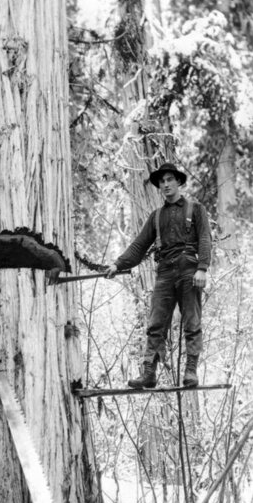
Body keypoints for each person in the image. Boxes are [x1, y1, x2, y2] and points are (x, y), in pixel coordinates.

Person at [105, 162, 212, 388]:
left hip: (189, 269)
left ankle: (191, 372)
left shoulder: (196, 209)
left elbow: (205, 238)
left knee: (192, 321)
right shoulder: (156, 216)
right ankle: (149, 373)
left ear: (178, 181)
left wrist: (202, 267)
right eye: (162, 181)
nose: (165, 185)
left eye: (170, 179)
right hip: (165, 272)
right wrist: (117, 264)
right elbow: (139, 246)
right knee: (156, 323)